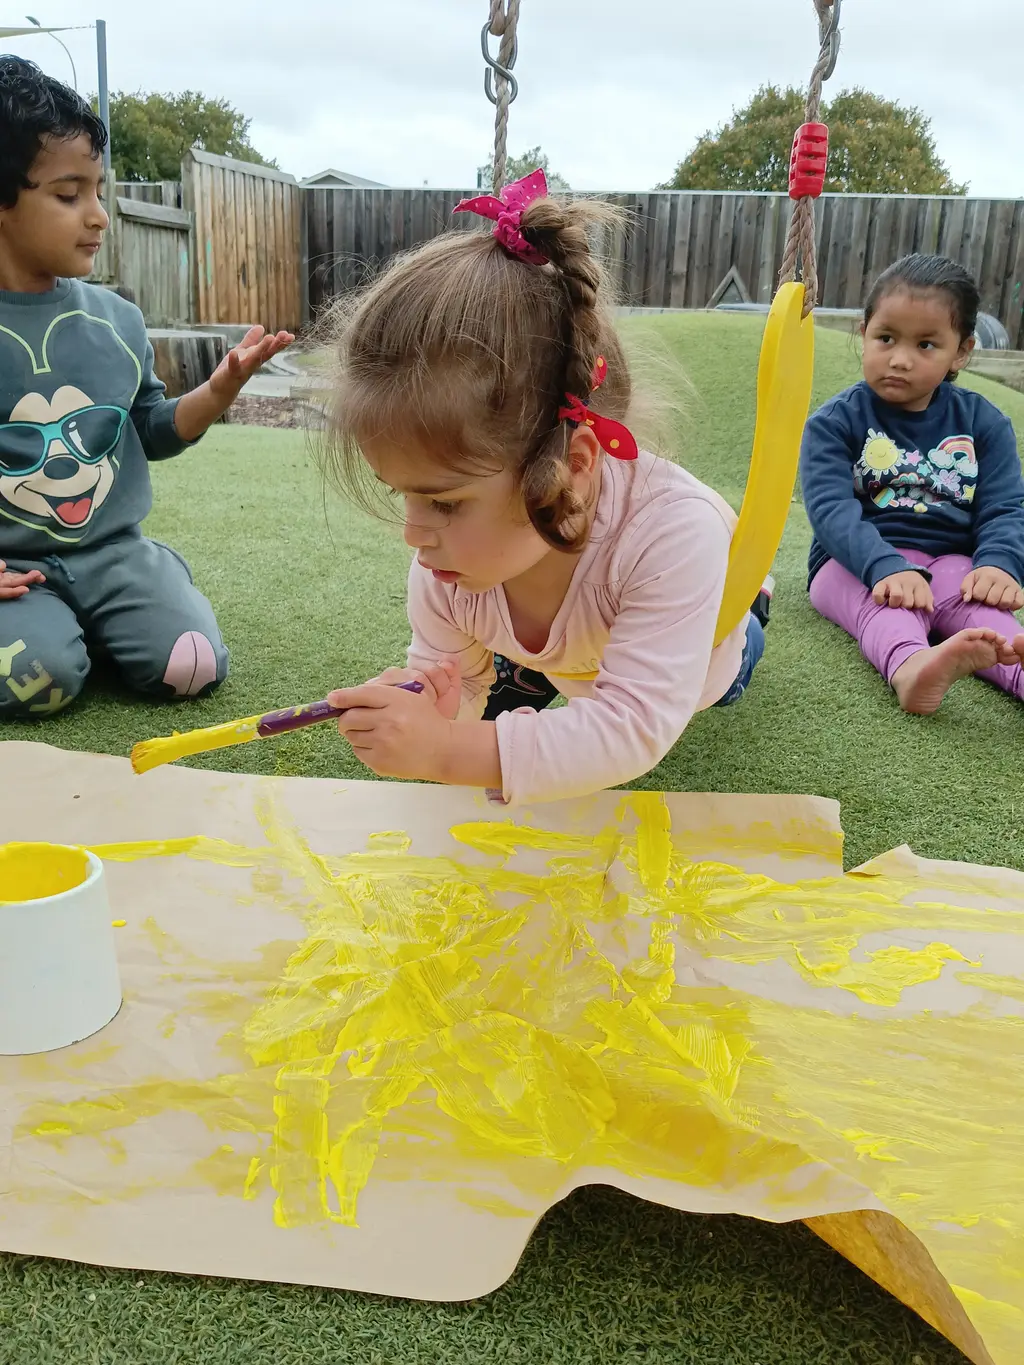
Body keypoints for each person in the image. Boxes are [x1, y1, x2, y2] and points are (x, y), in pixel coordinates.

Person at [318, 169, 765, 806]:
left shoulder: (668, 539)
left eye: (443, 501)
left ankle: (748, 602)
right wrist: (434, 703)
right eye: (403, 495)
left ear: (570, 466)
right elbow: (455, 684)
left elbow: (633, 726)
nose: (414, 534)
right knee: (531, 681)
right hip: (568, 642)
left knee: (728, 661)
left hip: (713, 649)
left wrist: (446, 752)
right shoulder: (446, 566)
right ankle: (532, 673)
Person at [0, 56, 293, 718]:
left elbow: (151, 430)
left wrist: (217, 391)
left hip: (112, 552)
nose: (99, 216)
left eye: (99, 191)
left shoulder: (116, 320)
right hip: (13, 576)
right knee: (41, 680)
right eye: (69, 195)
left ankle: (141, 594)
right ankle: (62, 633)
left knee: (189, 666)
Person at [801, 253, 1024, 715]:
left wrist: (1001, 563)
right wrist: (885, 565)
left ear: (961, 351)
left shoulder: (984, 423)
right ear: (863, 334)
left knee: (986, 618)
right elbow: (830, 510)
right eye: (885, 338)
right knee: (892, 610)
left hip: (951, 563)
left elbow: (1005, 506)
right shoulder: (834, 422)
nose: (899, 360)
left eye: (925, 345)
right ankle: (911, 669)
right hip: (853, 564)